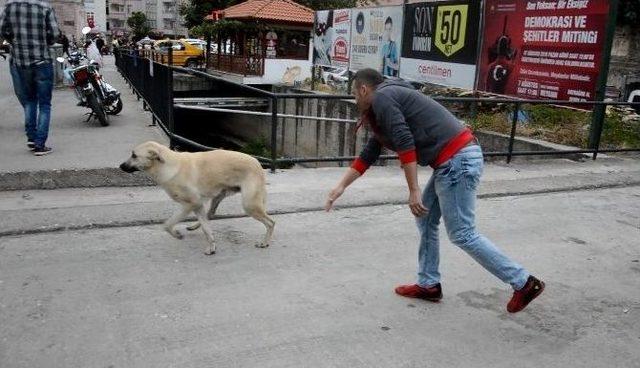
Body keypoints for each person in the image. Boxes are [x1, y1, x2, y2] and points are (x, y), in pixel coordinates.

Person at [325, 69, 545, 313]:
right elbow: (370, 152)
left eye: (355, 95)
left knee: (463, 233)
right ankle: (429, 284)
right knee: (425, 218)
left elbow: (405, 142)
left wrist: (414, 190)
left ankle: (524, 282)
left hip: (457, 161)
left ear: (363, 90)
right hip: (452, 161)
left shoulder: (383, 99)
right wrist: (340, 187)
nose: (355, 101)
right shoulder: (389, 100)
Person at [0, 0, 60, 156]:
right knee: (45, 104)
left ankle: (32, 138)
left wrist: (15, 41)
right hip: (42, 61)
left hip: (19, 62)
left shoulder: (9, 5)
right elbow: (54, 34)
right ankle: (40, 144)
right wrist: (43, 41)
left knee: (29, 100)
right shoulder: (45, 6)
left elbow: (2, 30)